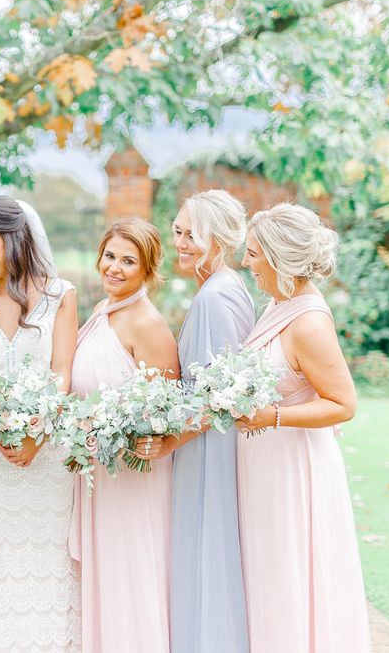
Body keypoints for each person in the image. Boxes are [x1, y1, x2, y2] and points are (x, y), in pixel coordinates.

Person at [0, 195, 80, 652]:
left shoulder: (62, 295)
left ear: (13, 238)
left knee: (49, 565)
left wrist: (36, 438)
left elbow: (62, 374)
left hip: (47, 459)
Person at [236, 203, 371, 652]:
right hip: (267, 465)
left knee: (291, 571)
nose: (245, 262)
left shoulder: (308, 322)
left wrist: (271, 417)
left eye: (253, 253)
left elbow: (343, 403)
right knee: (271, 572)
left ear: (277, 259)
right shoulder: (279, 305)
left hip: (295, 469)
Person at [138, 189, 254, 652]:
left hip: (206, 447)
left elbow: (216, 398)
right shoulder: (229, 287)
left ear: (219, 240)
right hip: (214, 440)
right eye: (179, 232)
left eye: (192, 235)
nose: (181, 243)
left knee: (206, 550)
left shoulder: (212, 298)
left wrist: (168, 442)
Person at [69, 217, 179, 652]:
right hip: (98, 472)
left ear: (147, 270)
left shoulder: (147, 323)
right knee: (107, 573)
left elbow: (167, 410)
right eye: (110, 256)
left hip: (133, 476)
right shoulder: (103, 312)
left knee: (131, 571)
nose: (114, 268)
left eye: (128, 261)